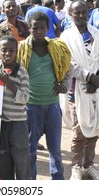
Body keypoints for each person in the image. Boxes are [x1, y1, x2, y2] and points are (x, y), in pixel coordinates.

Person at [60, 0, 99, 180]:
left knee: (95, 128)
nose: (81, 16)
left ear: (89, 12)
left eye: (84, 12)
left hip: (97, 88)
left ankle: (89, 165)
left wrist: (98, 76)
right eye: (77, 13)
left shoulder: (98, 35)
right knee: (79, 129)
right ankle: (76, 166)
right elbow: (66, 64)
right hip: (76, 89)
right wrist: (88, 77)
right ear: (71, 14)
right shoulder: (66, 37)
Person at [17, 11, 72, 180]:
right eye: (35, 28)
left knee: (55, 150)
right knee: (30, 149)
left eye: (42, 28)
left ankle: (58, 180)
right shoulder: (21, 49)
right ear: (29, 28)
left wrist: (64, 85)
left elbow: (69, 68)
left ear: (48, 28)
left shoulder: (57, 48)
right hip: (31, 106)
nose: (39, 31)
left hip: (53, 105)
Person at [0, 35, 31, 180]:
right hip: (0, 124)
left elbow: (24, 98)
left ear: (16, 52)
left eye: (11, 50)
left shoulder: (22, 72)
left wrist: (8, 82)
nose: (7, 53)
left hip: (18, 124)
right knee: (3, 161)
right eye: (4, 50)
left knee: (22, 161)